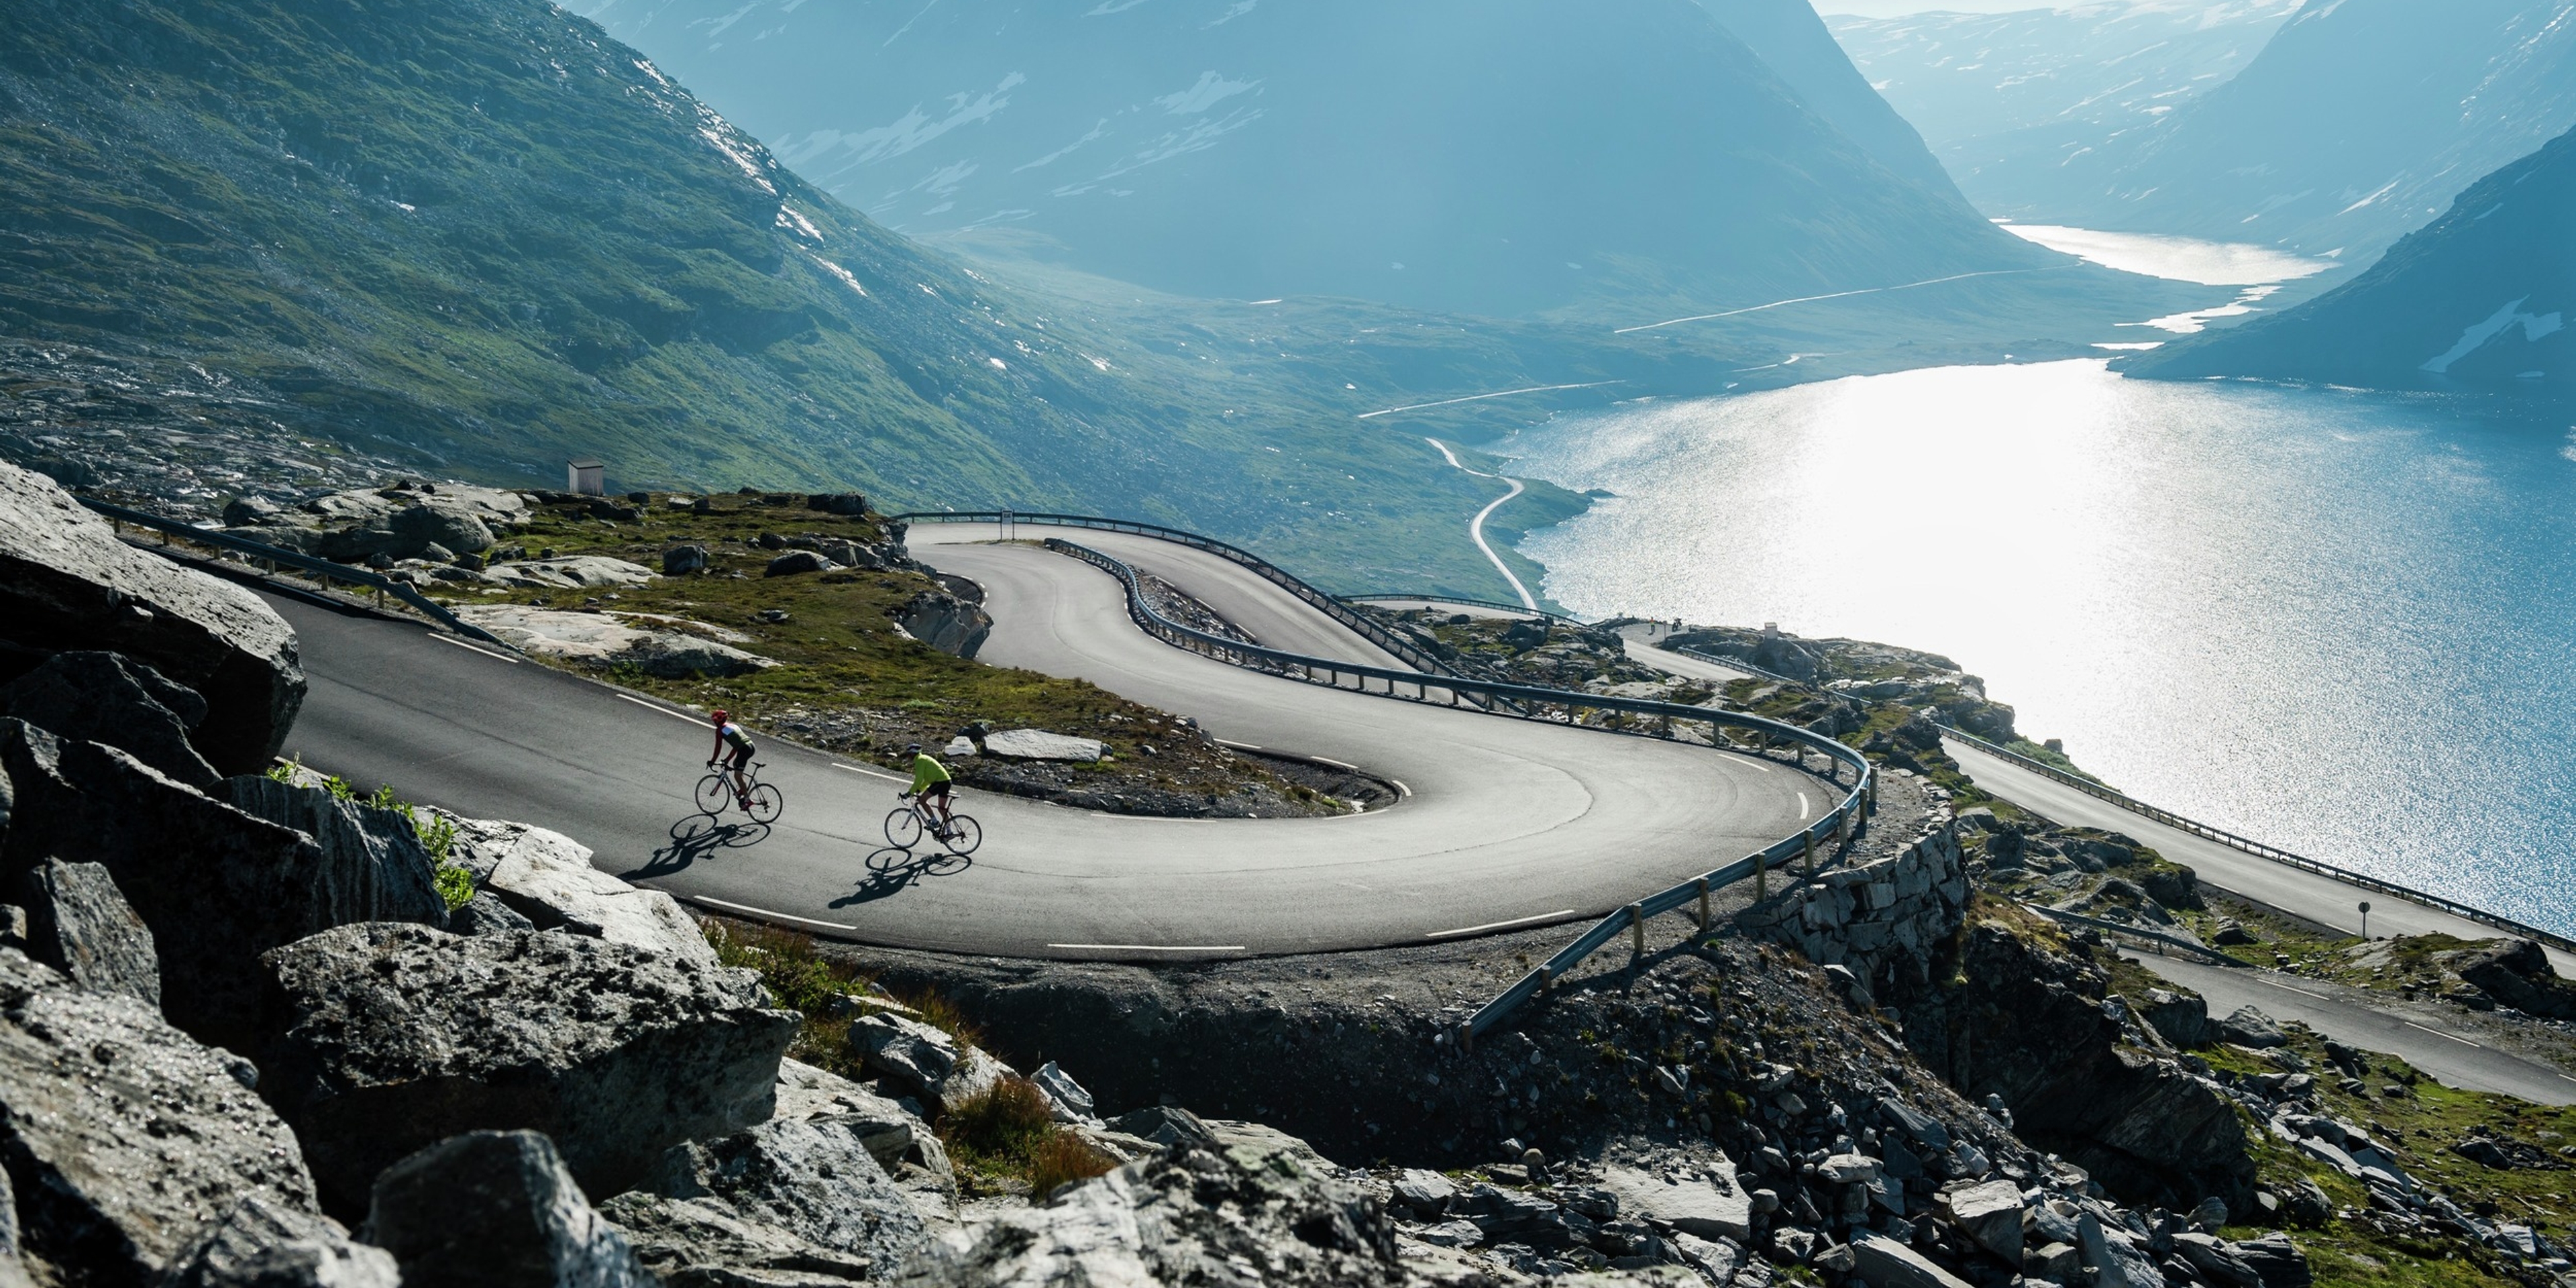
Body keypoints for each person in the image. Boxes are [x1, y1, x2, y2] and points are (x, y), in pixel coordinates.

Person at [902, 742, 955, 835]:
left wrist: (909, 793)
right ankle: (949, 831)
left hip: (940, 782)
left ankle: (934, 821)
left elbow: (918, 780)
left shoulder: (920, 760)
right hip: (946, 781)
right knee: (942, 809)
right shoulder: (923, 758)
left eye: (908, 754)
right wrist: (919, 790)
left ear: (912, 753)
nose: (907, 757)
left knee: (922, 800)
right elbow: (927, 780)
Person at [709, 709, 755, 807]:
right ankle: (742, 790)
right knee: (736, 765)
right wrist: (727, 760)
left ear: (718, 721)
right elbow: (736, 745)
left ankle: (747, 800)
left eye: (714, 721)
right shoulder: (733, 726)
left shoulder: (720, 730)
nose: (714, 722)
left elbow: (718, 747)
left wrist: (713, 761)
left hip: (744, 749)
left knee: (737, 775)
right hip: (750, 746)